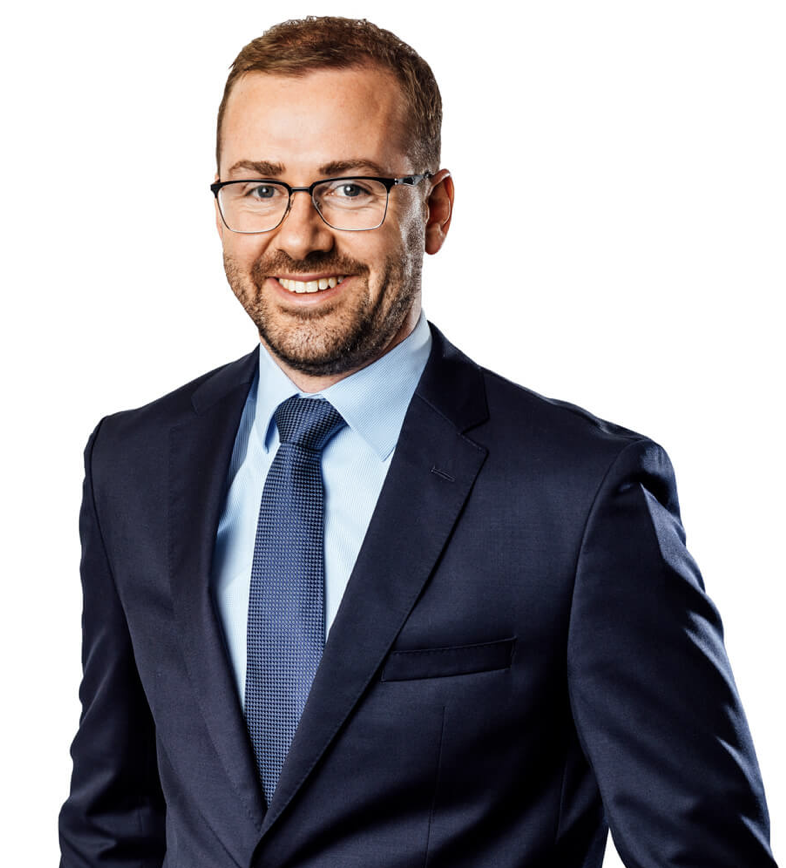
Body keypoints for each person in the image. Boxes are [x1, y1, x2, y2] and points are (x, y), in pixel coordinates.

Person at [58, 16, 778, 868]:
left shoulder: (583, 495)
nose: (299, 236)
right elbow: (114, 823)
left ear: (433, 210)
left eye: (351, 187)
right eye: (259, 189)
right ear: (219, 209)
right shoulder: (131, 466)